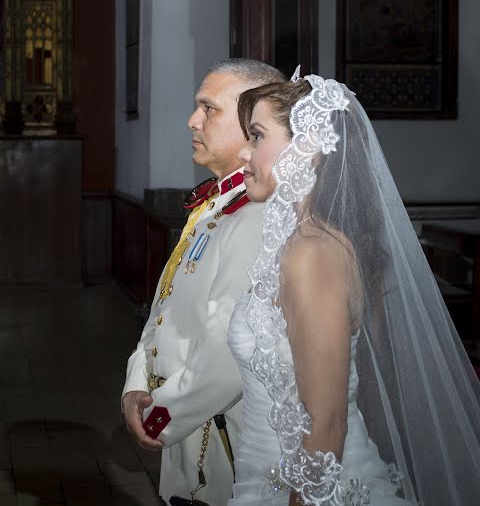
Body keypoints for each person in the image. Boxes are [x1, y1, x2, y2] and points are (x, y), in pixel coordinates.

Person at [226, 70, 480, 505]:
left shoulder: (312, 254)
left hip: (312, 488)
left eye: (256, 136)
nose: (244, 154)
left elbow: (326, 422)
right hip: (264, 474)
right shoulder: (295, 241)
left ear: (307, 148)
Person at [122, 59, 286, 506]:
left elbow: (228, 354)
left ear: (251, 125)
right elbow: (164, 309)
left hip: (222, 443)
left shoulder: (256, 217)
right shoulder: (215, 205)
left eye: (208, 109)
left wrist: (159, 417)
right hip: (187, 437)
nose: (192, 120)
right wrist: (136, 385)